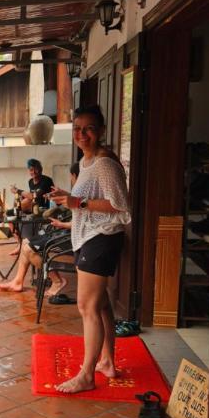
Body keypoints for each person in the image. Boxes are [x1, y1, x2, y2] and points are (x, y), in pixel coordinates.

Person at [48, 106, 130, 394]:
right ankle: (106, 360)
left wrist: (77, 203)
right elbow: (86, 199)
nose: (82, 134)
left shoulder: (104, 164)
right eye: (78, 129)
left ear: (102, 131)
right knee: (102, 304)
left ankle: (86, 375)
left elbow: (120, 205)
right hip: (88, 237)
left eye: (89, 128)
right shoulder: (86, 162)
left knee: (87, 306)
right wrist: (69, 199)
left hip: (102, 237)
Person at [0, 162, 79, 294]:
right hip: (63, 230)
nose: (33, 172)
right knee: (25, 242)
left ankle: (57, 281)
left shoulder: (80, 192)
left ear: (74, 176)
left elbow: (80, 222)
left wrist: (62, 224)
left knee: (29, 249)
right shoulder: (80, 193)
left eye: (71, 177)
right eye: (31, 169)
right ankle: (18, 281)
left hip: (67, 236)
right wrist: (63, 196)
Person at [8, 159, 55, 255]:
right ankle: (19, 243)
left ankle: (26, 244)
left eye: (35, 169)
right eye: (31, 170)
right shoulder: (30, 182)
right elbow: (30, 196)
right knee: (10, 214)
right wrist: (21, 196)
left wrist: (18, 191)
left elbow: (34, 196)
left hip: (44, 210)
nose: (33, 172)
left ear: (40, 169)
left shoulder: (46, 180)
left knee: (17, 209)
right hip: (32, 208)